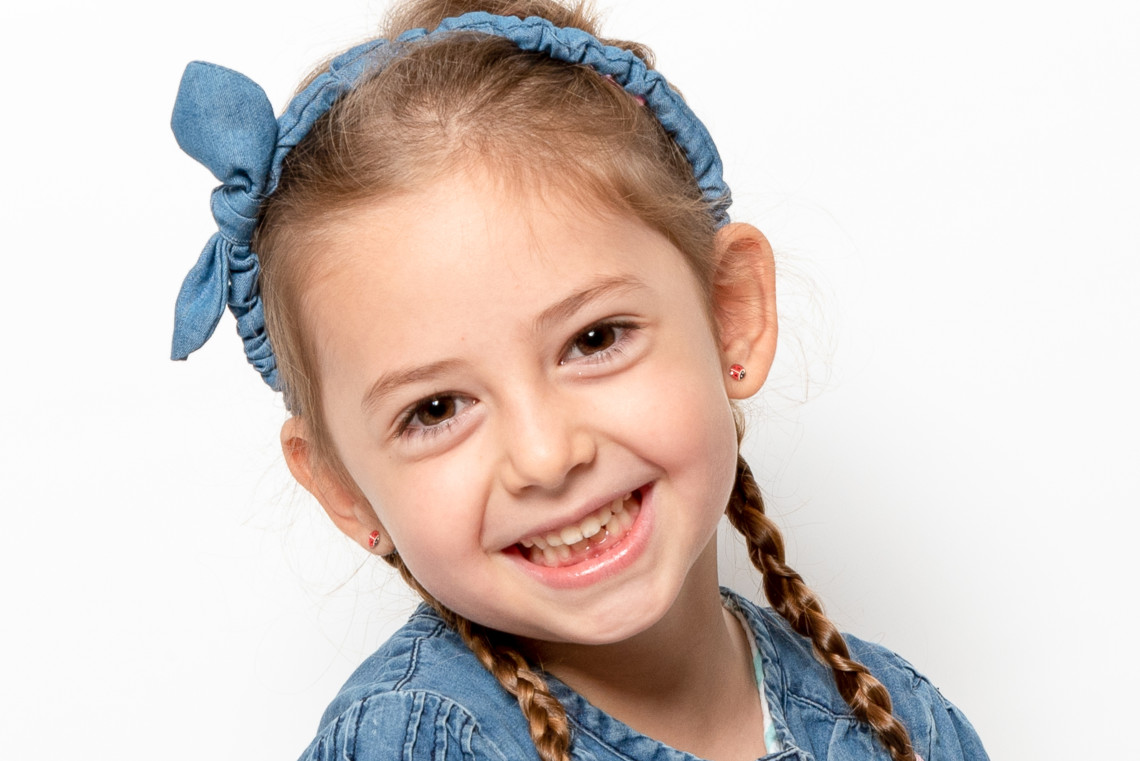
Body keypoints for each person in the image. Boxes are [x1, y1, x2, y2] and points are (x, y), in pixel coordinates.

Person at [170, 1, 989, 759]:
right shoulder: (417, 741)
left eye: (594, 339)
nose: (545, 454)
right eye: (436, 408)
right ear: (343, 487)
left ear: (729, 312)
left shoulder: (900, 718)